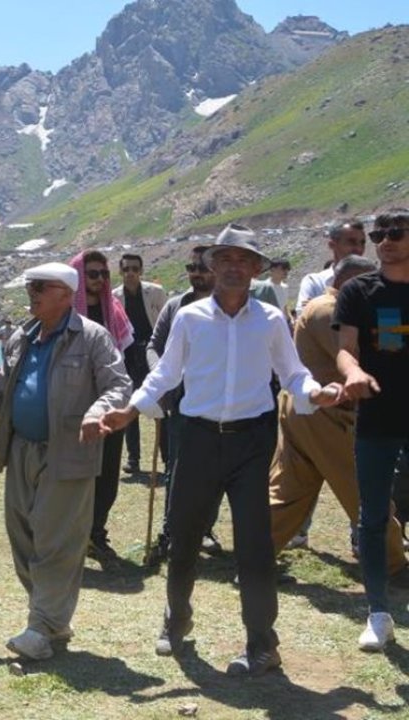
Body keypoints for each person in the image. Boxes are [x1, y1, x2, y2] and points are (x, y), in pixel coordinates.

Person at [100, 224, 343, 677]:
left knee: (254, 544)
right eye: (224, 259)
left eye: (242, 260)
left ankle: (261, 644)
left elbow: (292, 374)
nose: (233, 268)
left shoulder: (270, 320)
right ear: (212, 267)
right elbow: (165, 375)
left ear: (255, 269)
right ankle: (176, 618)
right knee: (185, 535)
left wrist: (317, 392)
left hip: (252, 441)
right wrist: (130, 410)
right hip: (196, 438)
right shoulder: (190, 318)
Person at [0, 263, 130, 660]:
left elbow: (119, 385)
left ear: (66, 294)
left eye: (41, 288)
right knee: (24, 537)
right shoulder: (22, 336)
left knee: (56, 542)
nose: (32, 293)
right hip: (21, 450)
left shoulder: (92, 337)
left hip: (67, 453)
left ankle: (41, 626)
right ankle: (52, 620)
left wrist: (97, 412)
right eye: (30, 287)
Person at [269, 255, 408, 593]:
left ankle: (254, 557)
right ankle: (394, 565)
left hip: (310, 413)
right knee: (365, 490)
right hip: (328, 416)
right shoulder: (328, 311)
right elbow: (377, 357)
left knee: (289, 491)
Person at [334, 211, 409, 651]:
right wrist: (354, 373)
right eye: (378, 235)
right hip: (377, 419)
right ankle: (378, 613)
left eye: (396, 233)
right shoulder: (359, 292)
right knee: (373, 517)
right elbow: (345, 351)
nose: (386, 242)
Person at [145, 247, 220, 562]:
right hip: (181, 405)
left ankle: (203, 528)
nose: (196, 273)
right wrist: (161, 377)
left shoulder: (232, 306)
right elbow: (153, 346)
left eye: (202, 267)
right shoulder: (175, 306)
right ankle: (171, 532)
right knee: (178, 471)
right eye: (191, 267)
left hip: (221, 406)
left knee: (216, 472)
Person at [70, 251, 133, 564]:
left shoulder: (115, 311)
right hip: (74, 407)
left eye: (103, 274)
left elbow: (128, 355)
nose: (98, 280)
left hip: (110, 404)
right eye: (92, 274)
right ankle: (73, 537)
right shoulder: (65, 313)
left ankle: (96, 533)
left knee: (107, 474)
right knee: (78, 475)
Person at [112, 253, 166, 476]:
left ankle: (168, 458)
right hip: (128, 356)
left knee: (162, 405)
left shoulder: (155, 292)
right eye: (126, 269)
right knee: (130, 405)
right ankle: (133, 460)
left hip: (152, 353)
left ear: (141, 271)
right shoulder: (114, 297)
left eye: (135, 268)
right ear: (121, 272)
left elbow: (166, 322)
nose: (130, 273)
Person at [296, 219, 367, 315]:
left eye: (362, 243)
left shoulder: (373, 283)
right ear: (332, 245)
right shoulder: (315, 282)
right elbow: (305, 318)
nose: (359, 249)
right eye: (351, 242)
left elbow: (387, 326)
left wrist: (319, 307)